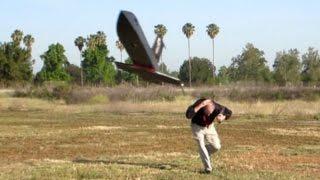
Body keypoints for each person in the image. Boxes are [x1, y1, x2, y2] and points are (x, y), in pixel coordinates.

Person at [186, 98, 232, 173]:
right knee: (201, 145)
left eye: (211, 112)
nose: (209, 114)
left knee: (217, 147)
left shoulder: (218, 107)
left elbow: (229, 113)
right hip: (197, 126)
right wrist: (200, 106)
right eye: (207, 112)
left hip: (209, 126)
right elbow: (188, 115)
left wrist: (223, 117)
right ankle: (208, 168)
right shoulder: (199, 104)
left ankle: (204, 153)